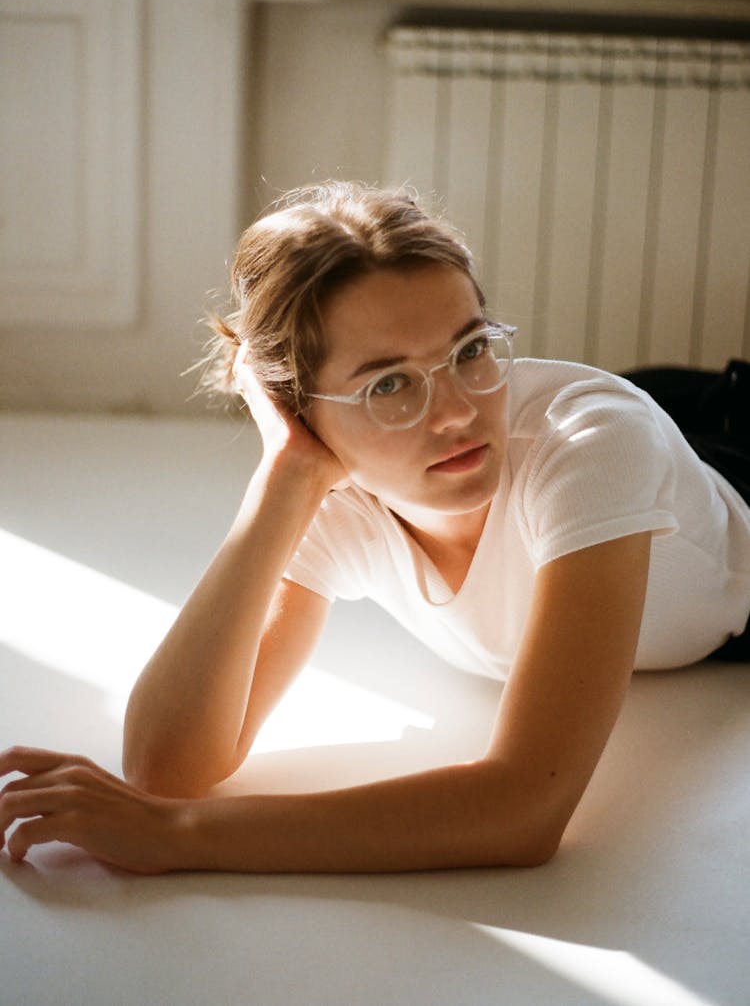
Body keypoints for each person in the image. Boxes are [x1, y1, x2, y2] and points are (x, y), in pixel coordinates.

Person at [1, 182, 749, 875]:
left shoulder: (593, 451)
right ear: (299, 410)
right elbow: (168, 764)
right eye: (388, 383)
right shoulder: (329, 489)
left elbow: (525, 808)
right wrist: (281, 479)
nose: (456, 410)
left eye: (470, 349)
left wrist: (178, 835)